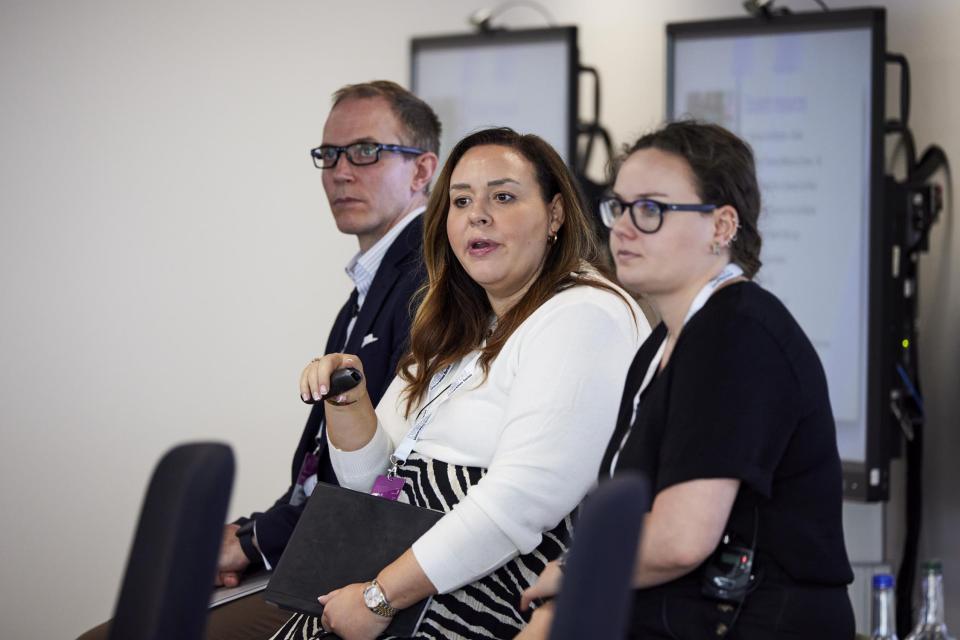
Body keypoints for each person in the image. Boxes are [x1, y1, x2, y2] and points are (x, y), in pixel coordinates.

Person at [77, 80, 441, 640]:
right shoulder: (365, 291)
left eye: (366, 151)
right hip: (313, 549)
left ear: (421, 172)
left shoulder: (427, 281)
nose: (341, 171)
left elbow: (378, 477)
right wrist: (249, 535)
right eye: (329, 155)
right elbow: (320, 472)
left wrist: (252, 541)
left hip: (356, 578)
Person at [270, 127, 651, 640]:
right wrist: (349, 403)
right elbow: (376, 490)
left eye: (504, 196)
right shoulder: (456, 323)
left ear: (556, 213)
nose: (479, 214)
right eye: (461, 200)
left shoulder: (586, 313)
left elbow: (520, 501)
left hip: (477, 602)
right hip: (393, 584)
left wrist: (380, 597)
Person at [519, 121, 855, 638]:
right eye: (619, 206)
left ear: (722, 227)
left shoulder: (738, 331)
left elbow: (680, 537)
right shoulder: (665, 340)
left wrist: (572, 575)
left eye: (651, 209)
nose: (624, 228)